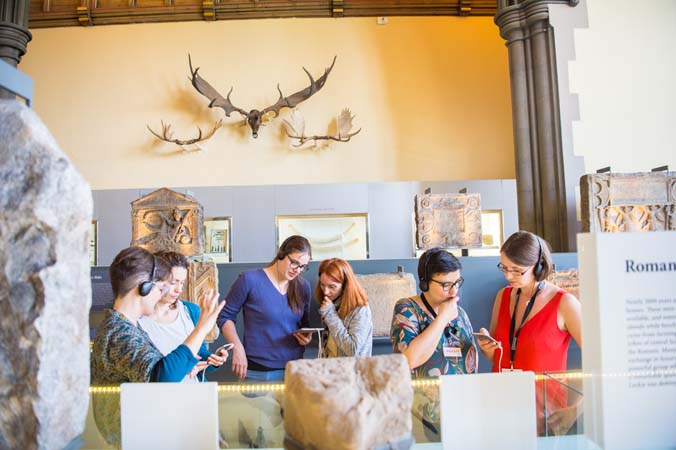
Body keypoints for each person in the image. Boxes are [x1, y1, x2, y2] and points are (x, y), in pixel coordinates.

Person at [476, 230, 582, 436]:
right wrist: (487, 349)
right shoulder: (503, 296)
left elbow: (602, 360)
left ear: (539, 266)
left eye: (517, 270)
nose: (508, 276)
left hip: (546, 418)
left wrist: (576, 410)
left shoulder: (565, 303)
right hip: (500, 411)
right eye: (504, 268)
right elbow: (498, 357)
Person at [91, 246, 225, 384]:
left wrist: (187, 366)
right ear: (143, 288)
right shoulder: (119, 333)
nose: (160, 294)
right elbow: (162, 377)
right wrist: (201, 329)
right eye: (160, 288)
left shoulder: (121, 327)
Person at [390, 248, 477, 436]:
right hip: (422, 416)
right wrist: (442, 318)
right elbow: (409, 359)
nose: (454, 290)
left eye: (457, 282)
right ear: (425, 283)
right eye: (446, 284)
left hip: (461, 412)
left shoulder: (459, 313)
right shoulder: (407, 309)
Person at [217, 235, 313, 382]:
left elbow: (304, 323)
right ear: (281, 254)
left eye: (303, 267)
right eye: (294, 263)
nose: (297, 270)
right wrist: (237, 347)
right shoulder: (249, 280)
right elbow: (224, 316)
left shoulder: (303, 286)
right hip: (257, 369)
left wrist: (306, 338)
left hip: (293, 369)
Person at [137, 251, 228, 382]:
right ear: (156, 280)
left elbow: (199, 353)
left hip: (194, 392)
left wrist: (213, 360)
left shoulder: (190, 311)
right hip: (159, 395)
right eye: (174, 282)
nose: (179, 289)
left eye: (182, 283)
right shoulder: (138, 318)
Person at [316, 258, 372, 358]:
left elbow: (352, 350)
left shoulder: (360, 309)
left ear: (345, 285)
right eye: (322, 285)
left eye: (332, 287)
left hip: (352, 371)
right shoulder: (330, 304)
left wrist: (330, 314)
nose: (325, 292)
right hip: (329, 370)